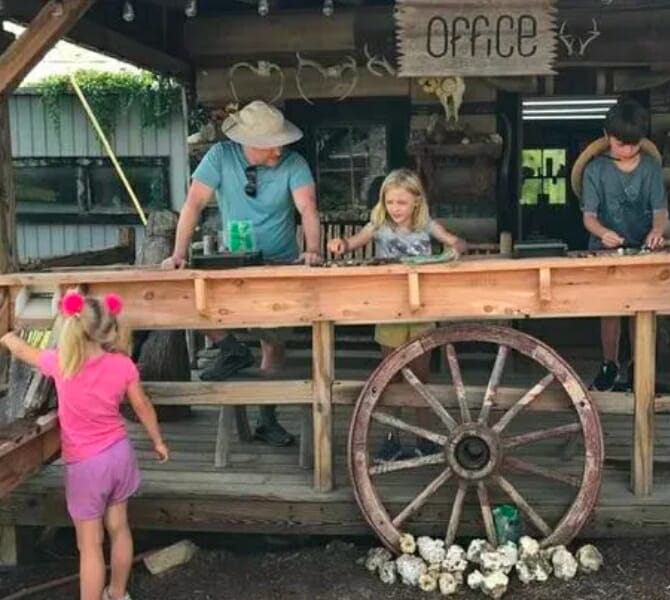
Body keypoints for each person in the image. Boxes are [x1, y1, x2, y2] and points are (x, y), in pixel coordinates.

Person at [162, 100, 321, 447]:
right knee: (188, 301)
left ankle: (266, 419)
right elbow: (193, 204)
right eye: (271, 142)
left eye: (281, 140)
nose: (279, 148)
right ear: (249, 142)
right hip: (232, 263)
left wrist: (312, 250)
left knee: (273, 343)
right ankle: (231, 347)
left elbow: (307, 207)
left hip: (279, 264)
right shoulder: (219, 157)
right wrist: (177, 254)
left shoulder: (294, 163)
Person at [1, 292, 169, 600]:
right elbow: (142, 406)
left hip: (86, 466)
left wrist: (7, 336)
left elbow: (24, 350)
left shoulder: (63, 363)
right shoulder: (123, 365)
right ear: (111, 326)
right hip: (119, 455)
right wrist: (158, 441)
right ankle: (117, 594)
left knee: (89, 545)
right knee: (119, 528)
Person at [328, 168, 466, 460]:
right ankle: (391, 437)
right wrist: (341, 245)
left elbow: (455, 241)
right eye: (390, 202)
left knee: (420, 375)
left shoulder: (425, 224)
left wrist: (455, 247)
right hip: (389, 306)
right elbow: (354, 242)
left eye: (402, 203)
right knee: (390, 374)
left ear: (417, 201)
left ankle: (424, 438)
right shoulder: (378, 223)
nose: (395, 209)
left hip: (420, 306)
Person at [581, 99, 668, 390]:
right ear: (607, 135)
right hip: (605, 250)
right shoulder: (595, 170)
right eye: (621, 144)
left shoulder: (652, 168)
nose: (628, 150)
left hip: (643, 249)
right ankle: (610, 363)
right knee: (610, 309)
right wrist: (602, 232)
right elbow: (589, 218)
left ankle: (639, 365)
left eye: (633, 144)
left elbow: (660, 212)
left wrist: (657, 231)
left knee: (641, 309)